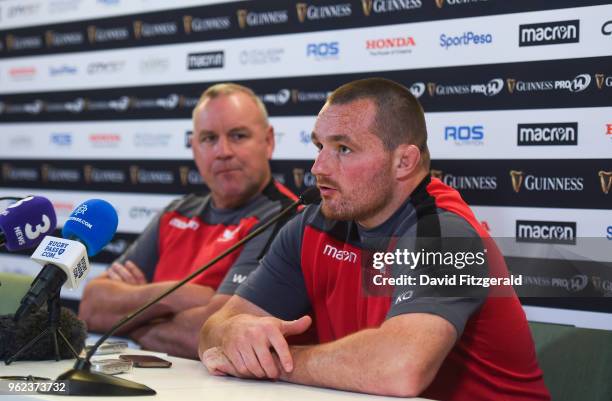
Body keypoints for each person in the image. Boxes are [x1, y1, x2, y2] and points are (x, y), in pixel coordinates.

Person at [198, 78, 550, 400]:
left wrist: (271, 361)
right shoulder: (310, 226)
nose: (318, 166)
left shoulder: (444, 235)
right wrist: (233, 336)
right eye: (319, 145)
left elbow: (400, 370)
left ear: (404, 162)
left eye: (344, 149)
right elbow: (214, 329)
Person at [79, 83, 297, 359]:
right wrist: (176, 295)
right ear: (193, 147)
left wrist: (128, 322)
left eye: (238, 135)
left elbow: (218, 335)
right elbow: (91, 307)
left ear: (268, 141)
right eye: (208, 139)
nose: (223, 151)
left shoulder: (285, 218)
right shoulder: (177, 212)